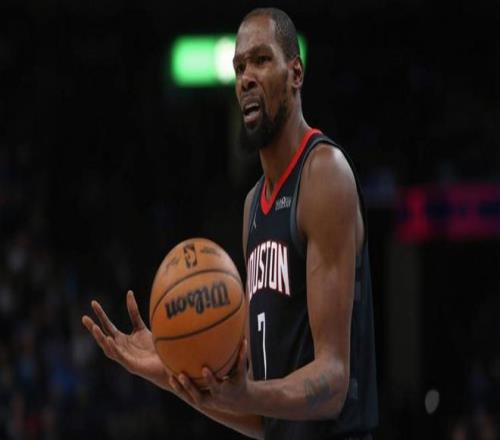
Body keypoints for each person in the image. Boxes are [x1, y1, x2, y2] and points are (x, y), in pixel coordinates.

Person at [82, 7, 378, 440]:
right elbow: (262, 415)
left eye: (261, 60)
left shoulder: (323, 174)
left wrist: (247, 395)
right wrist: (166, 369)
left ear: (295, 74)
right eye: (239, 67)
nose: (246, 78)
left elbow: (332, 383)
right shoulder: (252, 206)